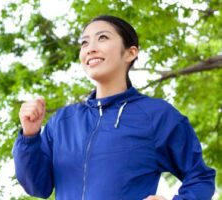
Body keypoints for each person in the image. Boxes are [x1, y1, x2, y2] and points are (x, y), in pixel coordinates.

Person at [12, 15, 216, 200]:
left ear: (130, 53)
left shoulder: (157, 115)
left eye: (102, 38)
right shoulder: (63, 121)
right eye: (84, 42)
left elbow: (200, 177)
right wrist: (29, 136)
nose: (90, 47)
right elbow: (38, 186)